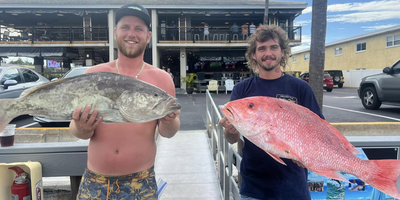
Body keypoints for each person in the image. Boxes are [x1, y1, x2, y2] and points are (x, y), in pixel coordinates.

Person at [70, 4, 181, 200]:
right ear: (115, 33)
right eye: (125, 27)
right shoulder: (94, 75)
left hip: (141, 183)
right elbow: (75, 130)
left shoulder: (162, 80)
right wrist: (82, 128)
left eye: (139, 28)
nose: (132, 34)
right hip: (95, 183)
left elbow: (167, 132)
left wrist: (169, 121)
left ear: (148, 36)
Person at [220, 25, 324, 200]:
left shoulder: (300, 88)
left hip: (294, 188)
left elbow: (319, 131)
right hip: (254, 188)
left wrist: (307, 157)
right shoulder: (242, 91)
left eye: (273, 47)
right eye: (262, 48)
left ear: (283, 52)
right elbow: (232, 138)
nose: (268, 53)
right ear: (254, 55)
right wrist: (230, 131)